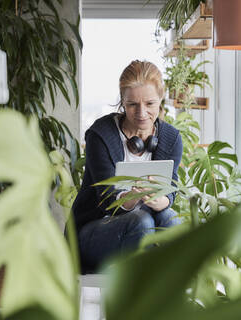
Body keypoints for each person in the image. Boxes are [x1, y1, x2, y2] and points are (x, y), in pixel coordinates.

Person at [71, 60, 183, 274]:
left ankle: (174, 296)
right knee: (141, 221)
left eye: (149, 104)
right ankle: (139, 296)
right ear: (122, 102)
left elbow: (172, 188)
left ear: (160, 100)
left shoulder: (171, 139)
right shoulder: (101, 136)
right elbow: (104, 199)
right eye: (133, 105)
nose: (141, 113)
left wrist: (164, 200)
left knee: (171, 221)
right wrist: (128, 201)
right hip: (96, 231)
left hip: (146, 223)